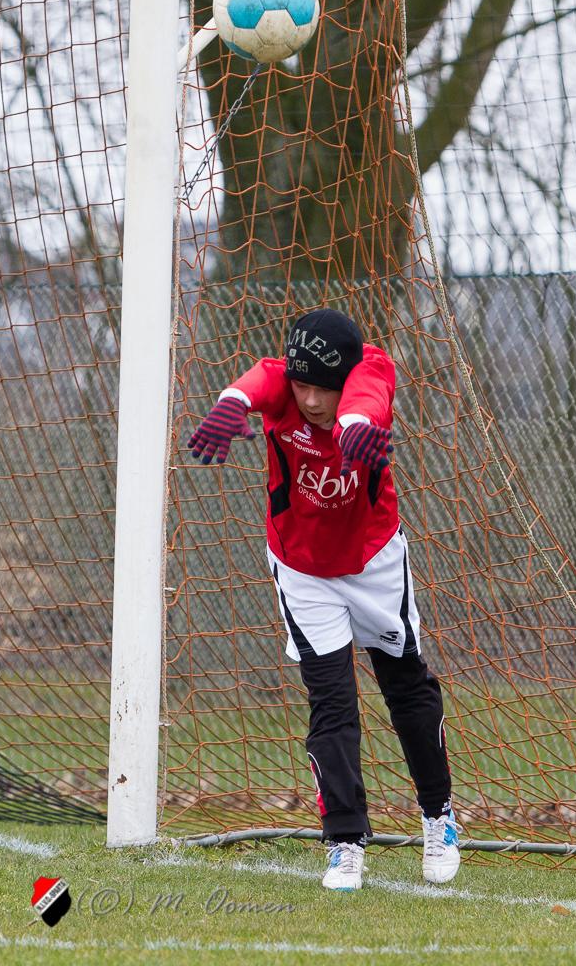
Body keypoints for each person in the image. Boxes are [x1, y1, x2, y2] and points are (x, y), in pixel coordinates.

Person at [188, 308, 460, 891]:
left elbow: (368, 394)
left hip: (373, 560)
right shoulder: (283, 384)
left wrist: (356, 422)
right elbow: (260, 380)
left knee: (406, 687)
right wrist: (232, 401)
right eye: (302, 385)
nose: (311, 399)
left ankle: (438, 815)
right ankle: (344, 840)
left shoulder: (370, 371)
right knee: (332, 701)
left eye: (324, 388)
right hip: (302, 569)